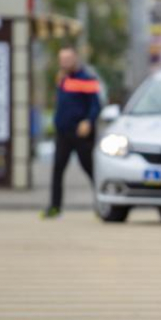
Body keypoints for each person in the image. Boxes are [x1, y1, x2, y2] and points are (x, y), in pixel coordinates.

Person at [41, 46, 102, 219]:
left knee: (90, 169)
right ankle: (55, 207)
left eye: (68, 59)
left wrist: (88, 121)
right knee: (57, 170)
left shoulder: (87, 79)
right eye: (62, 60)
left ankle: (103, 203)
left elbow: (95, 105)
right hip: (63, 133)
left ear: (75, 59)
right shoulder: (62, 79)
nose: (64, 63)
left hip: (81, 134)